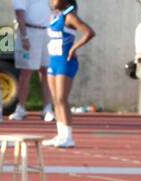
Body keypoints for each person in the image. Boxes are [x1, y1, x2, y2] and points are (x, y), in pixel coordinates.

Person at [43, 2, 95, 148]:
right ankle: (60, 135)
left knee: (61, 98)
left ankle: (68, 137)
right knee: (55, 99)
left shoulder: (69, 17)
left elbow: (90, 32)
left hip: (65, 61)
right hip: (53, 60)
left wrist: (74, 48)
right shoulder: (53, 15)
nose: (50, 2)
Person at [10, 0, 53, 121]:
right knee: (26, 72)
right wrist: (24, 37)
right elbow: (19, 13)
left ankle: (47, 108)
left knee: (46, 71)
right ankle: (21, 108)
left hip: (47, 32)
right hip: (30, 32)